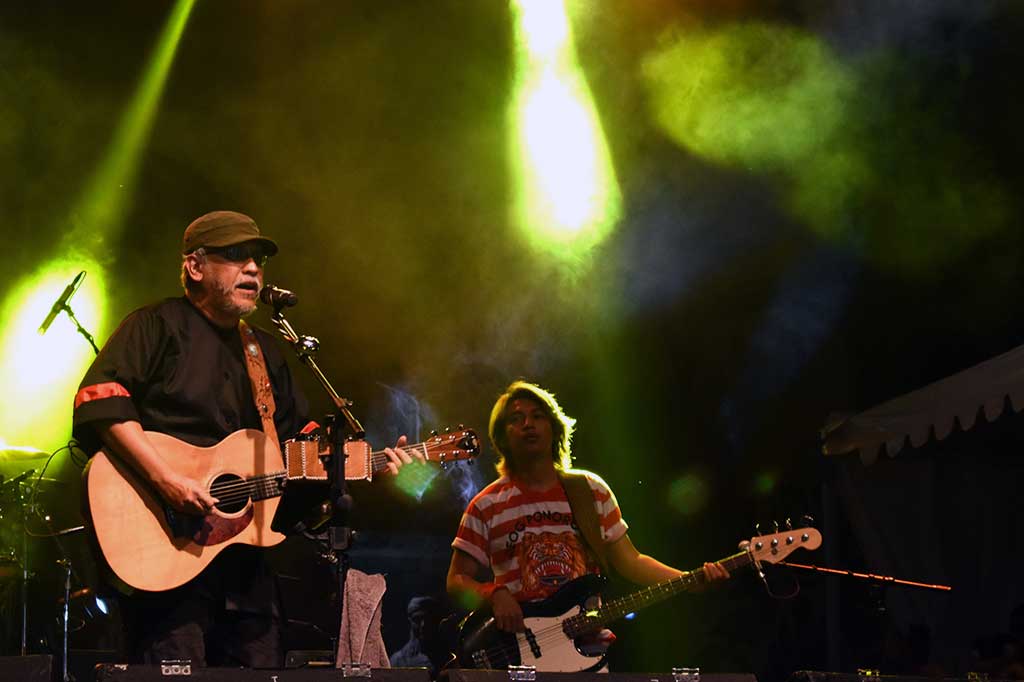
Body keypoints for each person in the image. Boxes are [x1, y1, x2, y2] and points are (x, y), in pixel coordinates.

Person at [72, 210, 418, 668]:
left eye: (257, 259)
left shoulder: (265, 352)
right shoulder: (154, 326)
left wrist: (363, 465)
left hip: (247, 573)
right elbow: (100, 402)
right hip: (168, 561)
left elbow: (300, 454)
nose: (253, 268)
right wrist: (168, 482)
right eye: (235, 256)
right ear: (195, 267)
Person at [447, 380, 729, 659]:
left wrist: (689, 580)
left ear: (555, 429)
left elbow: (631, 561)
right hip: (518, 652)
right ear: (502, 436)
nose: (528, 424)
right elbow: (457, 580)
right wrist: (494, 593)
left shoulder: (590, 490)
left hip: (586, 647)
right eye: (516, 419)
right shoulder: (485, 505)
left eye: (537, 416)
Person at [388, 596, 449, 676]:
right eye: (417, 619)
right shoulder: (398, 661)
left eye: (428, 619)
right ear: (410, 621)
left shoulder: (448, 658)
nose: (423, 625)